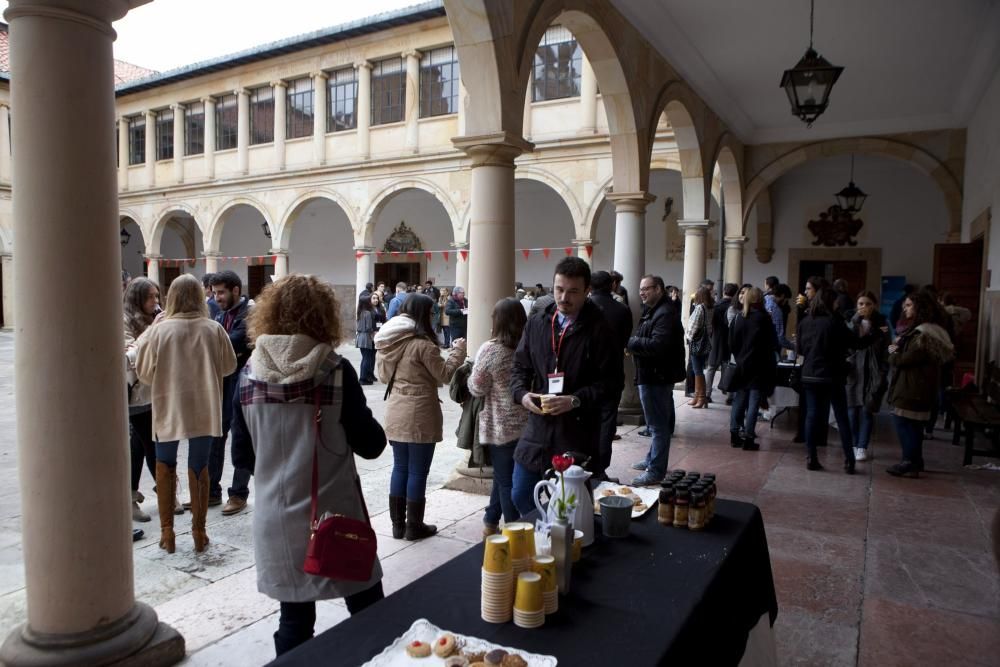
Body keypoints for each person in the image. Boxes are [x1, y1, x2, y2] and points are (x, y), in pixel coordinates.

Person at [229, 274, 386, 657]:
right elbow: (372, 445)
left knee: (295, 622)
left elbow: (242, 458)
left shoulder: (247, 377)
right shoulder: (335, 371)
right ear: (323, 317)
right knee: (371, 612)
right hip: (334, 517)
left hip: (277, 522)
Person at [135, 274, 237, 553]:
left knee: (165, 466)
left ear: (172, 298)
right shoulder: (213, 329)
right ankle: (199, 532)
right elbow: (229, 366)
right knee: (199, 467)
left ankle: (167, 535)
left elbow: (143, 374)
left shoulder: (160, 331)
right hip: (204, 407)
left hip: (169, 407)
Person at [510, 257, 618, 512]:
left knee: (570, 505)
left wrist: (575, 400)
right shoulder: (537, 322)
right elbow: (519, 367)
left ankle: (560, 538)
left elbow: (612, 383)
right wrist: (522, 395)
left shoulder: (600, 329)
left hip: (577, 431)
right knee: (521, 494)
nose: (564, 298)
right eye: (559, 289)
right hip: (538, 427)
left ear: (587, 290)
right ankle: (546, 533)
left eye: (573, 292)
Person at [376, 294, 467, 540]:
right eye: (430, 313)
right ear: (420, 315)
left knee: (400, 468)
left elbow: (382, 376)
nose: (433, 317)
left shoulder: (388, 343)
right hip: (419, 413)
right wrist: (458, 352)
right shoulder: (422, 345)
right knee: (417, 472)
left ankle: (398, 526)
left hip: (396, 409)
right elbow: (446, 375)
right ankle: (413, 527)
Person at [468, 298, 529, 536]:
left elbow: (477, 388)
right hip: (528, 423)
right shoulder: (528, 346)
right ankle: (490, 521)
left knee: (506, 482)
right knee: (505, 477)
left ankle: (514, 532)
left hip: (501, 427)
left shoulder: (490, 350)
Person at [886, 291, 954, 477]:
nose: (904, 308)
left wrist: (893, 352)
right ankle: (916, 462)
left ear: (920, 308)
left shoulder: (923, 334)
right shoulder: (933, 330)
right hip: (920, 386)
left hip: (913, 387)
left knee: (903, 423)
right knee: (914, 426)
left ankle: (908, 461)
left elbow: (907, 359)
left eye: (909, 305)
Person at [627, 275, 686, 486]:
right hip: (653, 374)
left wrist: (631, 342)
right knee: (657, 424)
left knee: (658, 426)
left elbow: (658, 345)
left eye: (647, 289)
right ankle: (652, 460)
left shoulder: (665, 313)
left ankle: (655, 471)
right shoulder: (656, 310)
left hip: (656, 376)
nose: (642, 292)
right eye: (640, 289)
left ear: (659, 289)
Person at [796, 287, 857, 473]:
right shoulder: (835, 322)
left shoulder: (805, 321)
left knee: (812, 416)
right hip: (832, 375)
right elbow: (853, 342)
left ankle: (811, 456)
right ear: (831, 302)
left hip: (810, 373)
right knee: (841, 416)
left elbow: (799, 349)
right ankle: (849, 459)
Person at [209, 270, 254, 515]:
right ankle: (212, 491)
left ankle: (238, 494)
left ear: (236, 290)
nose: (217, 297)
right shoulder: (220, 313)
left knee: (240, 435)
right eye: (214, 293)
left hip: (242, 382)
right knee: (217, 434)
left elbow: (233, 342)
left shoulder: (249, 314)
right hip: (223, 382)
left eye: (221, 292)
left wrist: (217, 342)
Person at [588, 271, 634, 481]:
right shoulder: (622, 310)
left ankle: (584, 464)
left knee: (585, 421)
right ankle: (600, 468)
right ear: (612, 286)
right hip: (612, 373)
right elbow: (625, 339)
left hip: (586, 376)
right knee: (607, 423)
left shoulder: (584, 309)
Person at [124, 277, 162, 522]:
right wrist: (153, 331)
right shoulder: (125, 320)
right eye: (151, 297)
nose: (156, 302)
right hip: (138, 395)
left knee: (144, 444)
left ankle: (136, 495)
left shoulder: (156, 318)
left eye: (157, 296)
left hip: (157, 392)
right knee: (149, 444)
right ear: (138, 298)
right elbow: (128, 356)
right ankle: (135, 497)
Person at [727, 287, 778, 451]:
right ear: (760, 300)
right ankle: (749, 437)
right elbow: (771, 343)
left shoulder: (739, 317)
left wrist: (740, 356)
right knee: (753, 402)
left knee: (739, 400)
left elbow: (732, 343)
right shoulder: (763, 318)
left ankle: (734, 433)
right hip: (759, 365)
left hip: (742, 364)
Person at [846, 291, 890, 463]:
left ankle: (862, 446)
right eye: (860, 304)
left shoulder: (882, 324)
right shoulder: (852, 322)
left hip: (873, 372)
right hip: (853, 371)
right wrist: (856, 319)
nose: (864, 307)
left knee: (867, 410)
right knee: (851, 412)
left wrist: (883, 371)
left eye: (868, 304)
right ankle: (854, 443)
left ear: (874, 305)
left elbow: (887, 348)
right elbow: (846, 340)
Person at [705, 282, 738, 403]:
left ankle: (707, 394)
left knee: (711, 367)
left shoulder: (716, 306)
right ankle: (730, 396)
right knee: (729, 366)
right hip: (730, 340)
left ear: (724, 291)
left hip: (716, 339)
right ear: (735, 293)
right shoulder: (735, 307)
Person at [686, 285, 714, 408]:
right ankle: (699, 396)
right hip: (705, 342)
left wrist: (688, 337)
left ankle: (701, 398)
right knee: (699, 370)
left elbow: (693, 326)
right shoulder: (710, 307)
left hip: (697, 342)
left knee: (697, 371)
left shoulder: (699, 308)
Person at [356, 293, 378, 384]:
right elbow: (369, 327)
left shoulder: (360, 312)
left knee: (364, 358)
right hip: (366, 337)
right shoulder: (368, 313)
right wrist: (374, 332)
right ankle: (363, 378)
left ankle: (363, 377)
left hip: (360, 336)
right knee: (367, 358)